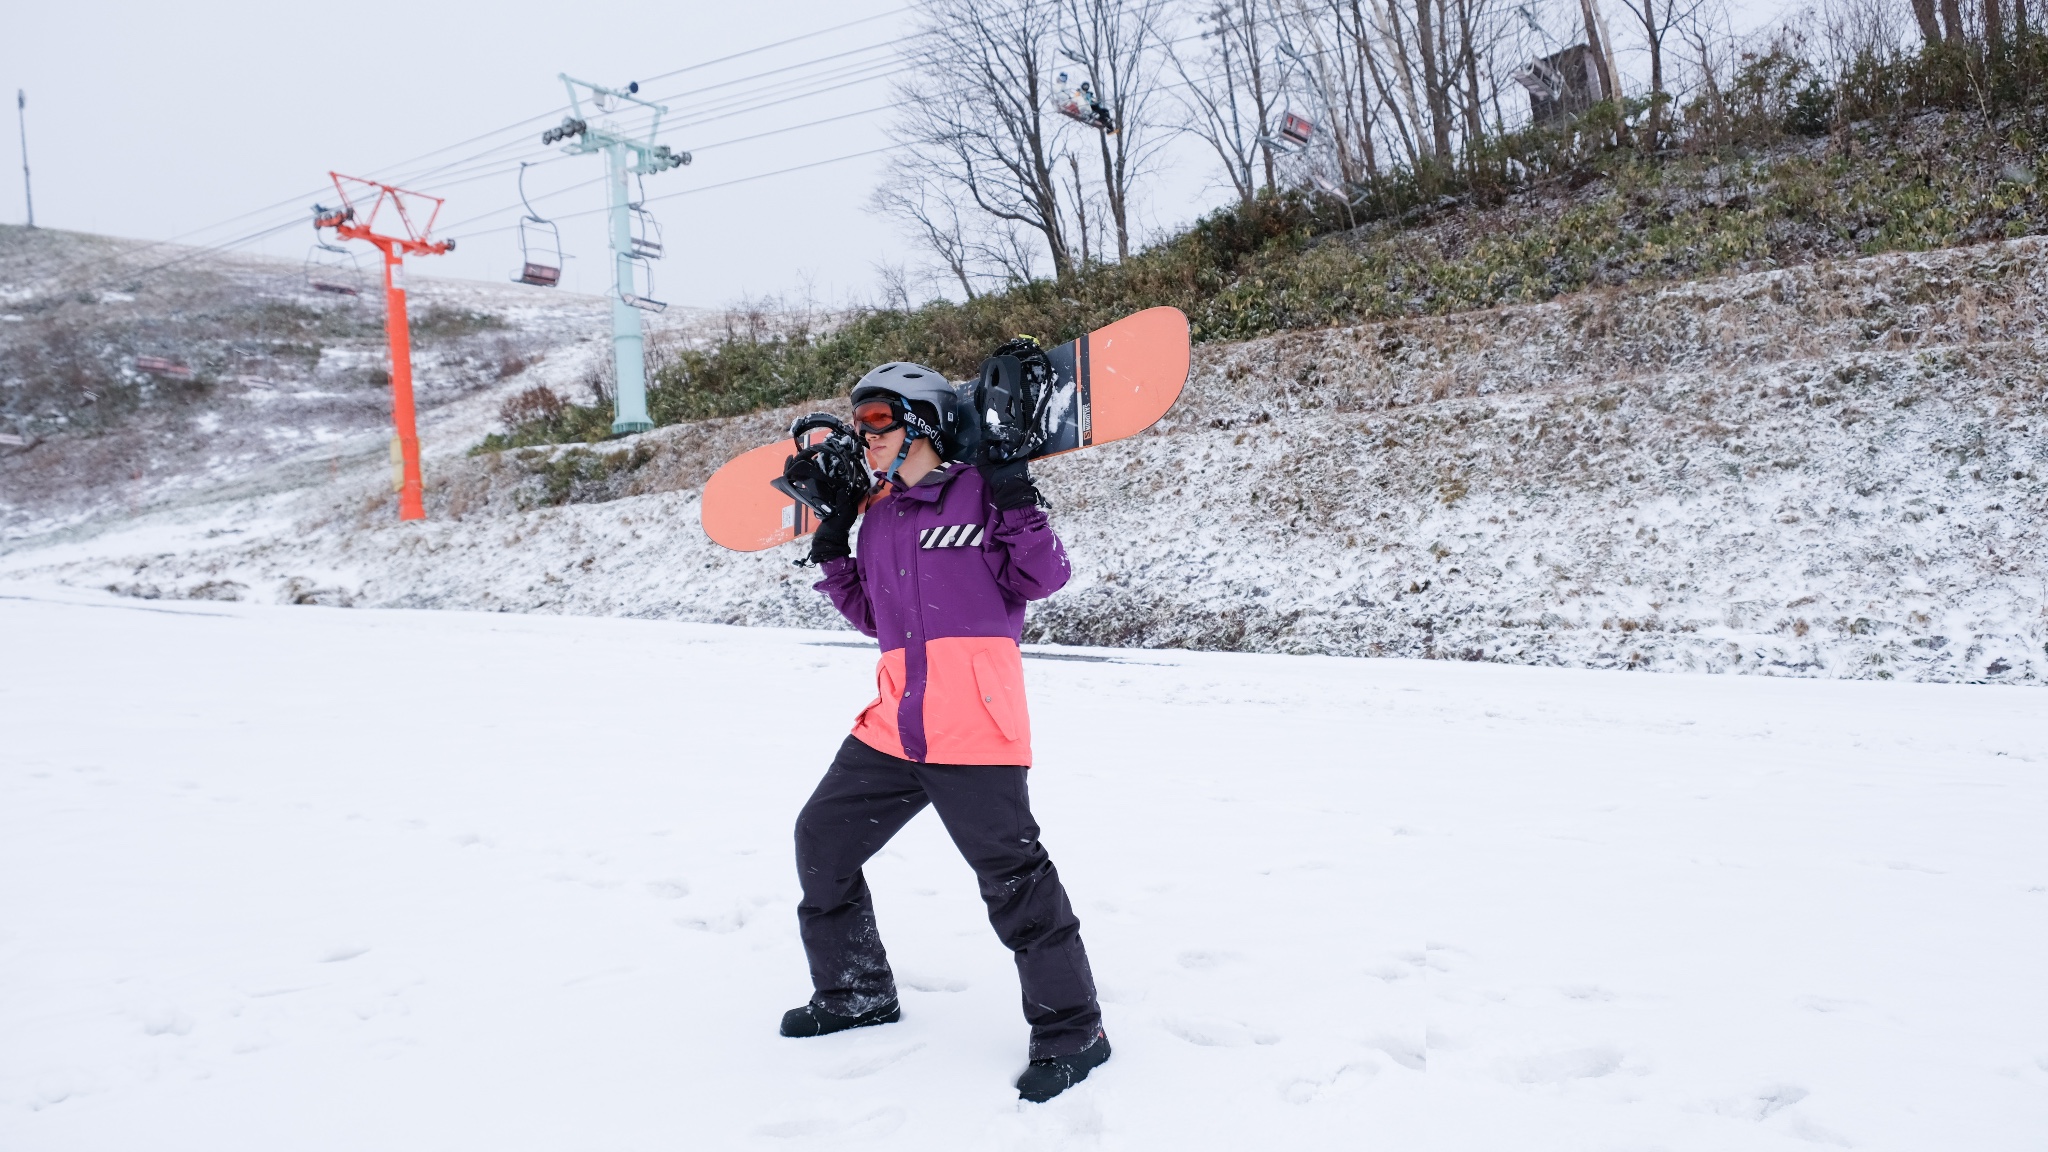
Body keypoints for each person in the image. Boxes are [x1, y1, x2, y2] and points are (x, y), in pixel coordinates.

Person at [779, 360, 1111, 1104]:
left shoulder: (977, 491)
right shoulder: (881, 515)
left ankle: (1074, 1030)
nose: (863, 439)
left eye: (876, 421)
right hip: (895, 728)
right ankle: (856, 992)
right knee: (822, 841)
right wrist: (835, 538)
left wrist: (1015, 489)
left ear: (920, 423)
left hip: (975, 729)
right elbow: (875, 619)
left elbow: (1044, 578)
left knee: (1015, 884)